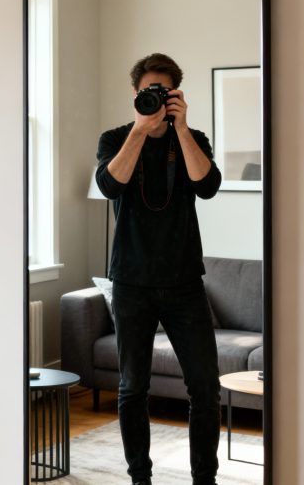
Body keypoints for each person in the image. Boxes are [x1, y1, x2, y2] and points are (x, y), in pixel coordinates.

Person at [95, 52, 223, 485]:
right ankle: (140, 479)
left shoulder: (193, 138)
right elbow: (110, 184)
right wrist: (140, 129)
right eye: (148, 91)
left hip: (185, 281)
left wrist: (181, 129)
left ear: (176, 95)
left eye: (163, 92)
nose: (155, 97)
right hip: (131, 282)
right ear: (134, 94)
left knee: (205, 388)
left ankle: (204, 478)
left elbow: (207, 186)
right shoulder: (115, 138)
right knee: (133, 389)